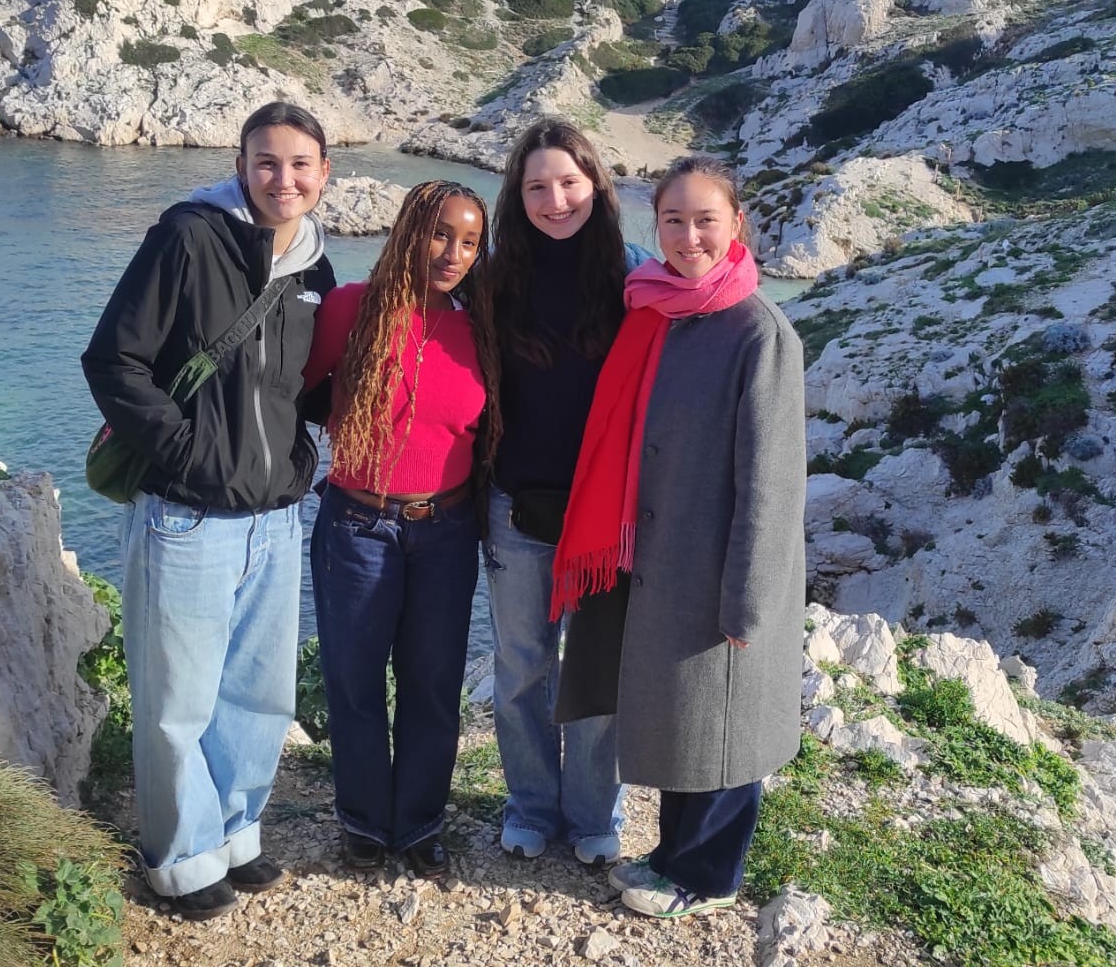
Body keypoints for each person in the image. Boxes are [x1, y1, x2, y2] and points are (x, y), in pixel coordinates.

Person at [80, 101, 337, 920]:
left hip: (274, 517)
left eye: (300, 165)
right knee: (176, 699)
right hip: (187, 514)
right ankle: (180, 858)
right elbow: (114, 359)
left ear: (324, 174)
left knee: (260, 695)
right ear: (241, 164)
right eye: (267, 162)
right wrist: (188, 457)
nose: (283, 179)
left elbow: (306, 390)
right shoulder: (189, 237)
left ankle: (234, 830)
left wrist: (308, 456)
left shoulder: (316, 271)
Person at [552, 154, 806, 919]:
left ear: (737, 226)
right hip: (657, 558)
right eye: (673, 219)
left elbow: (771, 482)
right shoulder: (656, 311)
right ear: (652, 224)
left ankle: (709, 877)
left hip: (717, 565)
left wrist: (748, 599)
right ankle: (671, 857)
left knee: (722, 726)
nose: (689, 236)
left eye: (706, 220)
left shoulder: (758, 331)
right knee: (682, 721)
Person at [300, 180, 499, 880]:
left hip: (445, 530)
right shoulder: (351, 309)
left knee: (432, 682)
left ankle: (418, 824)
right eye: (440, 233)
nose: (453, 253)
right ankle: (361, 819)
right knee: (354, 682)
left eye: (470, 241)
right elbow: (291, 389)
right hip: (356, 523)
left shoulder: (480, 327)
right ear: (410, 230)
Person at [482, 119, 647, 867]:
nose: (555, 200)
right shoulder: (493, 283)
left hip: (606, 519)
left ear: (596, 187)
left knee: (598, 675)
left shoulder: (635, 278)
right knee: (521, 672)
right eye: (538, 185)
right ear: (518, 195)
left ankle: (592, 816)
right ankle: (530, 806)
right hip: (516, 510)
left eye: (569, 183)